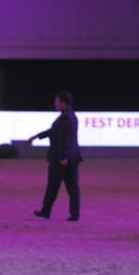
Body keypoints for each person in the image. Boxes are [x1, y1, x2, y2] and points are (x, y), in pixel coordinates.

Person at [29, 90, 82, 221]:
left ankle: (46, 211)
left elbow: (63, 139)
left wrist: (64, 156)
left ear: (63, 102)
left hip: (62, 158)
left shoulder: (65, 117)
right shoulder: (70, 115)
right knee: (72, 187)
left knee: (53, 186)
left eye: (57, 101)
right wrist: (38, 136)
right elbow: (56, 132)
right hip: (73, 156)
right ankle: (74, 214)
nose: (54, 103)